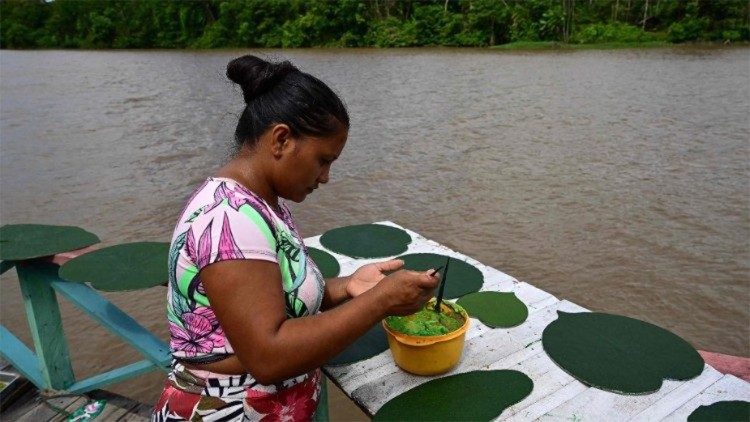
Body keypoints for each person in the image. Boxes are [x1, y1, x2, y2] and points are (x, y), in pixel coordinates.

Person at [153, 55, 440, 421]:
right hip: (226, 410)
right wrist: (380, 301)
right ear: (282, 139)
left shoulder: (261, 202)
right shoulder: (228, 218)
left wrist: (348, 286)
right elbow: (268, 357)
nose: (325, 177)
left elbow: (275, 297)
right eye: (323, 160)